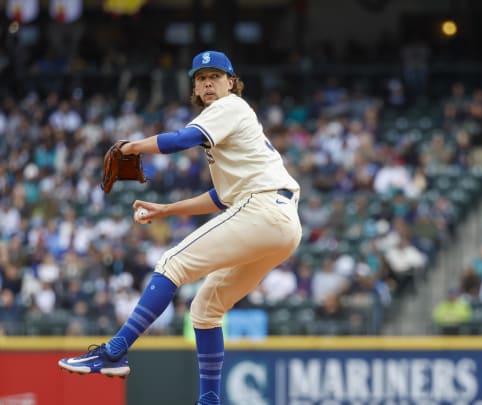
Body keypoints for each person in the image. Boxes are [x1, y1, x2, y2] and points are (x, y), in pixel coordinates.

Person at [58, 50, 303, 405]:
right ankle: (209, 402)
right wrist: (166, 210)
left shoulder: (230, 107)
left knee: (171, 263)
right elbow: (223, 196)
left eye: (215, 76)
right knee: (205, 310)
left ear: (231, 83)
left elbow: (179, 140)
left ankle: (113, 352)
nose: (207, 82)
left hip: (264, 209)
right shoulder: (226, 122)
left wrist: (129, 147)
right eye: (201, 78)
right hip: (278, 222)